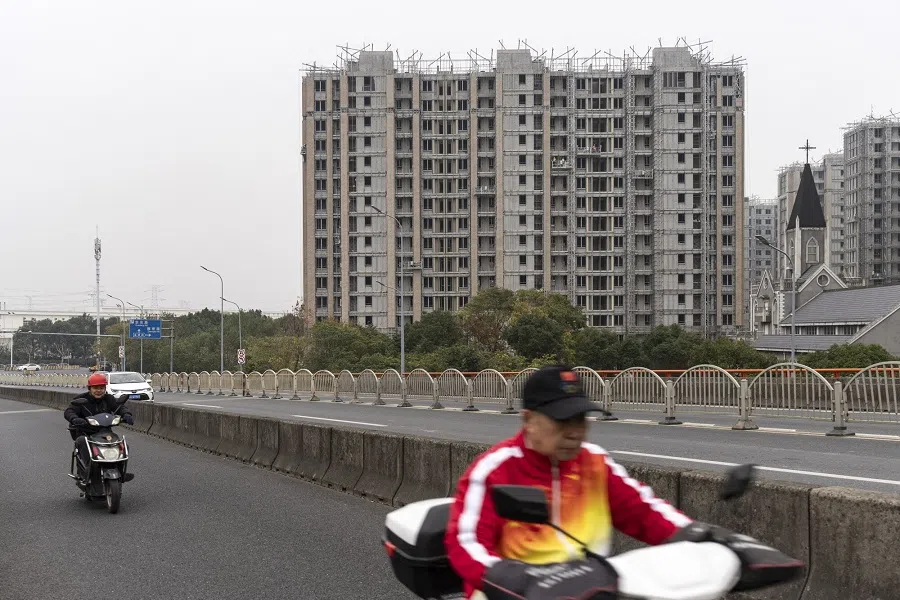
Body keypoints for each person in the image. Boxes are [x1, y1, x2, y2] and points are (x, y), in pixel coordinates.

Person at [444, 365, 695, 599]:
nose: (575, 432)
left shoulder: (595, 462)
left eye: (580, 420)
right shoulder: (495, 469)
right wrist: (519, 580)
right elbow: (465, 541)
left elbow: (643, 511)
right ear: (529, 421)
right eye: (562, 421)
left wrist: (697, 535)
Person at [64, 372, 134, 480]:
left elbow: (119, 407)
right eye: (95, 388)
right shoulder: (81, 400)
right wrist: (75, 418)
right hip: (86, 433)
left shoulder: (109, 399)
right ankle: (87, 470)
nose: (99, 390)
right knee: (81, 441)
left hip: (105, 432)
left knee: (122, 445)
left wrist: (127, 415)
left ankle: (120, 472)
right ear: (90, 388)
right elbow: (69, 411)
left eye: (101, 388)